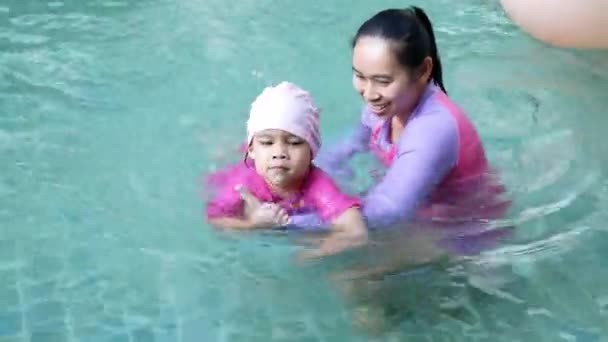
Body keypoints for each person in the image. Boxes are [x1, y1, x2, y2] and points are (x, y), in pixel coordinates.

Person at [289, 7, 511, 251]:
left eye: (383, 81)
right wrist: (293, 187)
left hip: (461, 230)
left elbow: (388, 210)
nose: (370, 93)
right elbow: (346, 149)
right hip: (420, 214)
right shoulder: (383, 107)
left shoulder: (433, 129)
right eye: (360, 76)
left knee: (352, 277)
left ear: (424, 70)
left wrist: (286, 221)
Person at [205, 81, 368, 258]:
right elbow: (215, 221)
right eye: (267, 143)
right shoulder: (243, 183)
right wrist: (252, 224)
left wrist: (314, 253)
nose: (279, 153)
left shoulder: (317, 184)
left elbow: (355, 231)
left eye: (294, 143)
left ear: (312, 151)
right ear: (252, 150)